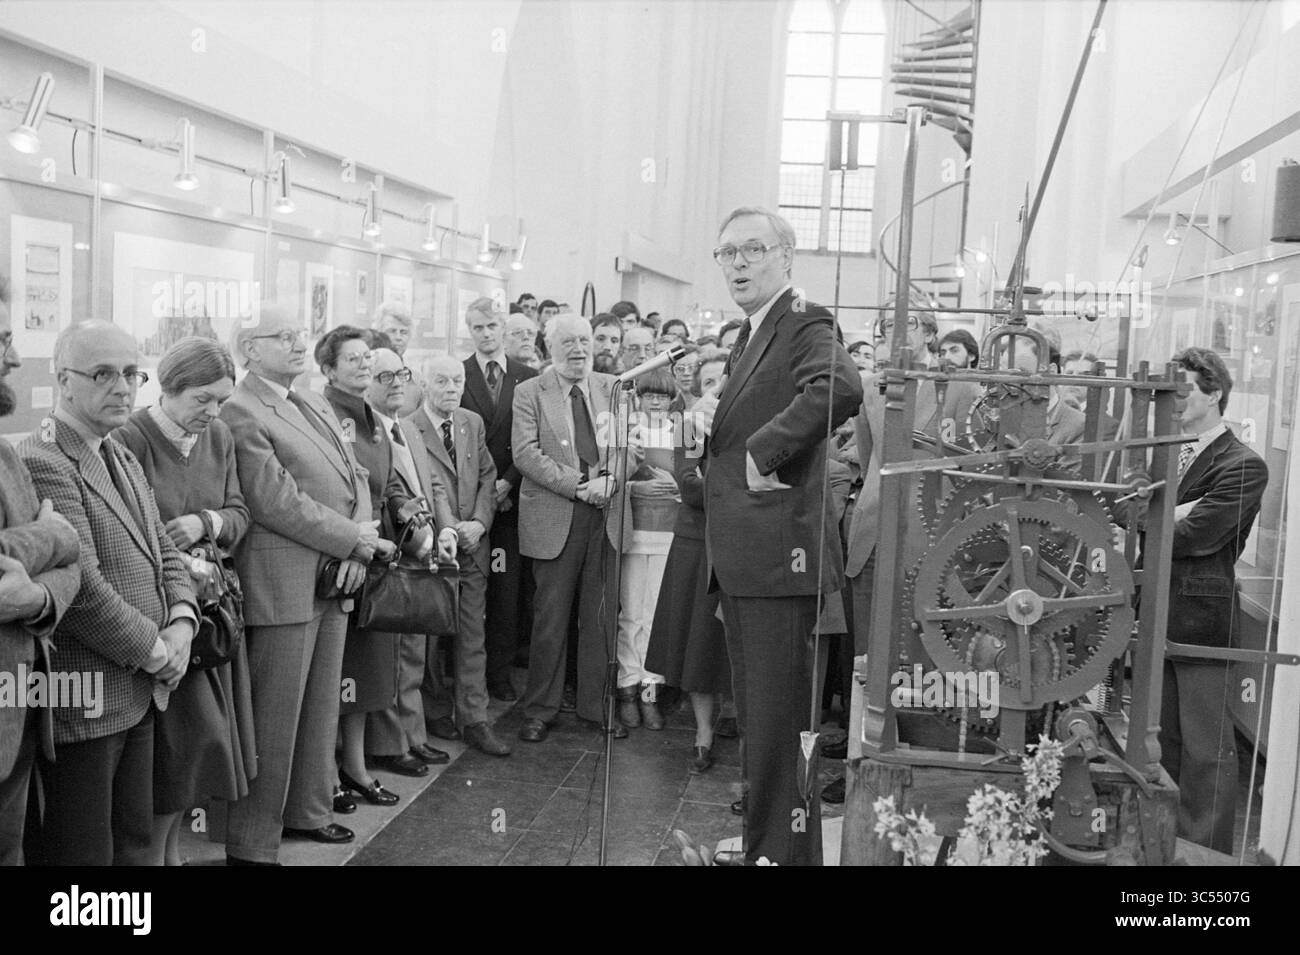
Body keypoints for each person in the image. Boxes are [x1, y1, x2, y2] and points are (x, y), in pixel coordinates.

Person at [696, 207, 863, 866]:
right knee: (767, 729)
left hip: (777, 561)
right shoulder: (750, 333)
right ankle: (776, 849)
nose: (737, 263)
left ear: (787, 255)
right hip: (750, 559)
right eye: (726, 252)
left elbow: (840, 386)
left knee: (784, 726)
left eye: (752, 249)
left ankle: (785, 855)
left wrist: (760, 454)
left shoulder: (803, 320)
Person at [20, 321, 199, 866]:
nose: (123, 387)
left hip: (140, 689)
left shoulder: (116, 451)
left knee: (134, 843)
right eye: (103, 374)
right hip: (88, 697)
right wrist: (156, 649)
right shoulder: (43, 461)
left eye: (130, 373)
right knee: (84, 853)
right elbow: (83, 590)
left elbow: (164, 549)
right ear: (63, 381)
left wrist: (184, 622)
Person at [221, 304, 384, 864]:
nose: (298, 343)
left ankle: (308, 811)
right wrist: (352, 540)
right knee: (274, 715)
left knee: (319, 708)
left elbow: (354, 473)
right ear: (250, 349)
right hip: (282, 578)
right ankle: (252, 840)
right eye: (282, 337)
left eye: (299, 335)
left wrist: (356, 542)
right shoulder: (240, 409)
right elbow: (273, 500)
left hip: (333, 571)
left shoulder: (308, 399)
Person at [112, 336, 255, 866]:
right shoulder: (130, 437)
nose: (213, 412)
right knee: (172, 755)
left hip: (212, 618)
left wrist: (207, 522)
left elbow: (240, 512)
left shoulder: (219, 436)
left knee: (198, 752)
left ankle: (172, 854)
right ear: (169, 387)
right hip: (160, 623)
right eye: (202, 399)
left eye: (221, 399)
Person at [831, 308, 981, 803]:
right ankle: (863, 761)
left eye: (902, 327)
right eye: (880, 331)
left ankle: (915, 766)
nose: (888, 338)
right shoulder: (872, 387)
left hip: (931, 540)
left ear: (929, 337)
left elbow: (968, 464)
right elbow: (871, 457)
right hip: (874, 530)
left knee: (920, 654)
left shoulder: (959, 389)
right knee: (866, 657)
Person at [318, 326, 435, 809]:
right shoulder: (322, 413)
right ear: (328, 369)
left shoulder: (374, 416)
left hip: (379, 560)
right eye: (353, 360)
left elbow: (388, 486)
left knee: (365, 674)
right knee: (334, 677)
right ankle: (326, 773)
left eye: (368, 358)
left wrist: (415, 522)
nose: (364, 366)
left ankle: (357, 766)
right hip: (342, 560)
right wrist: (357, 542)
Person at [512, 314, 641, 742]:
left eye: (584, 340)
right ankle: (539, 710)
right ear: (550, 346)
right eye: (568, 341)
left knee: (602, 618)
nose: (578, 349)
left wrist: (613, 479)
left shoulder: (615, 389)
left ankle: (596, 707)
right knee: (550, 619)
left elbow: (632, 447)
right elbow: (525, 454)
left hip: (607, 515)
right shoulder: (529, 392)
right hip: (557, 515)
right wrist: (580, 486)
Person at [1161, 347, 1266, 854]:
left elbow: (1198, 535)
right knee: (1163, 745)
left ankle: (1204, 859)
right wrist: (1168, 513)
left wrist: (1158, 517)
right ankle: (1164, 845)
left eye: (1185, 390)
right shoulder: (1168, 452)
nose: (1175, 400)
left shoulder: (1245, 465)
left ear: (1215, 392)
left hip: (1202, 621)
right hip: (1158, 613)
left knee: (1207, 753)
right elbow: (1129, 511)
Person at [0, 297, 80, 865]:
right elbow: (63, 541)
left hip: (21, 698)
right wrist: (50, 534)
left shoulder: (6, 452)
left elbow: (72, 566)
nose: (11, 358)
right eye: (1, 342)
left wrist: (39, 595)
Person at [363, 348, 460, 770]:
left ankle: (413, 734)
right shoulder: (363, 433)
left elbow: (432, 487)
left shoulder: (409, 429)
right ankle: (392, 744)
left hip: (423, 550)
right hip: (390, 555)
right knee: (388, 657)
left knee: (415, 652)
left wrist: (445, 531)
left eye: (401, 373)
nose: (396, 382)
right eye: (384, 376)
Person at [413, 355, 512, 756]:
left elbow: (488, 476)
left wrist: (480, 523)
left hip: (473, 545)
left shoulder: (471, 422)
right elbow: (422, 485)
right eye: (442, 381)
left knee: (473, 633)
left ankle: (474, 718)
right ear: (423, 383)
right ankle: (435, 709)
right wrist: (450, 528)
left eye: (456, 381)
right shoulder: (408, 427)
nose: (451, 388)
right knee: (432, 636)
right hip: (432, 549)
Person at [646, 348, 733, 773]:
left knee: (731, 642)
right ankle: (703, 734)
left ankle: (733, 718)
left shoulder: (755, 426)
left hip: (739, 546)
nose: (718, 389)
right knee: (698, 644)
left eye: (725, 380)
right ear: (698, 391)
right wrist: (737, 484)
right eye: (709, 383)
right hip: (696, 544)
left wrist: (712, 480)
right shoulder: (688, 426)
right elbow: (689, 487)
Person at [459, 297, 539, 702]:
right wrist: (484, 493)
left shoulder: (527, 376)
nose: (486, 334)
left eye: (492, 326)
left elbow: (532, 438)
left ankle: (500, 671)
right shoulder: (459, 376)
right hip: (473, 503)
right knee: (472, 593)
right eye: (478, 327)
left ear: (503, 327)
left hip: (513, 499)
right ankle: (468, 677)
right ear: (469, 330)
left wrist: (507, 482)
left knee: (507, 590)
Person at [614, 369, 679, 731]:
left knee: (657, 618)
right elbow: (611, 477)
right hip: (632, 533)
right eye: (649, 395)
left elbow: (698, 479)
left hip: (670, 534)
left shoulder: (686, 432)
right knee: (631, 617)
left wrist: (675, 489)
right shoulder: (626, 430)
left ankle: (649, 693)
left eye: (663, 396)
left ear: (673, 399)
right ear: (638, 397)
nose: (656, 402)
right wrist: (637, 491)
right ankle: (626, 689)